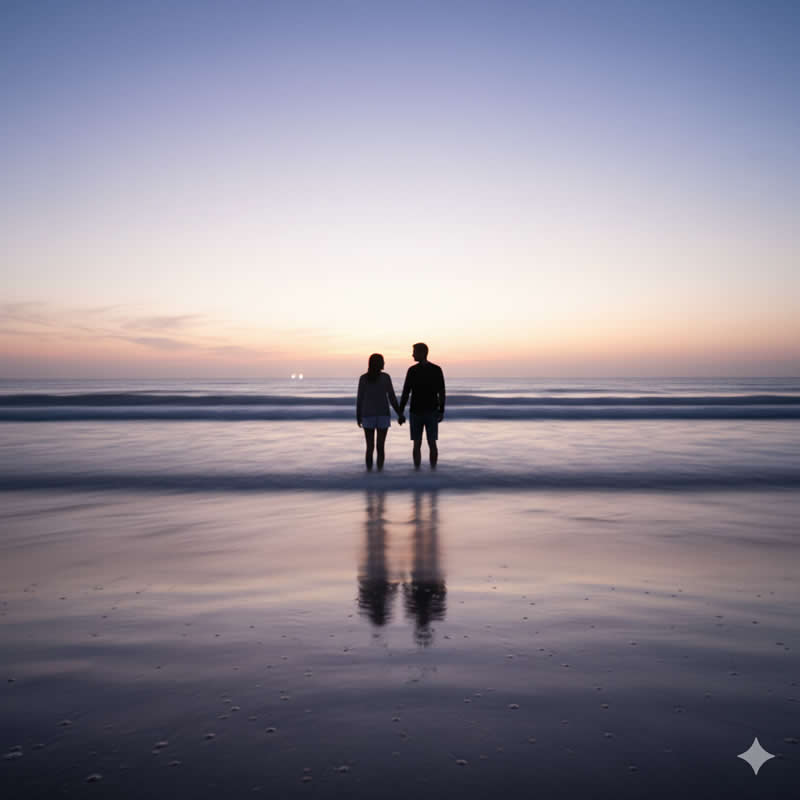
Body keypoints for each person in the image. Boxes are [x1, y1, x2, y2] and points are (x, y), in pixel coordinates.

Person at [399, 342, 445, 469]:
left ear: (422, 353)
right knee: (430, 443)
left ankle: (419, 470)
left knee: (419, 443)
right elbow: (441, 392)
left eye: (414, 352)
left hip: (420, 411)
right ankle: (431, 471)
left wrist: (400, 411)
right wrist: (441, 410)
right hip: (427, 410)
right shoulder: (435, 369)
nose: (412, 355)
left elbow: (406, 392)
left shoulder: (414, 370)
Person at [356, 353, 405, 471]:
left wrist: (358, 416)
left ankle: (369, 474)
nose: (384, 363)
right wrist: (399, 413)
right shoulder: (385, 377)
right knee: (380, 446)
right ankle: (379, 472)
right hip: (383, 415)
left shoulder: (363, 378)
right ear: (379, 363)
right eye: (383, 361)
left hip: (368, 415)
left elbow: (360, 398)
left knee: (370, 447)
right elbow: (392, 398)